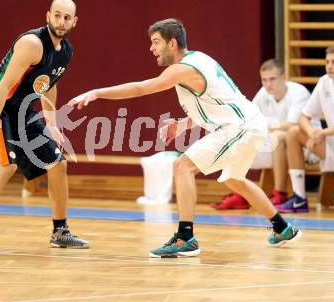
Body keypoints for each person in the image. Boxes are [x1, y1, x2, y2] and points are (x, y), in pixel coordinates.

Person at [68, 18, 301, 257]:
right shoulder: (198, 60)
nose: (151, 48)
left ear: (172, 44)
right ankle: (282, 227)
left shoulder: (182, 69)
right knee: (235, 180)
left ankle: (186, 237)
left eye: (156, 42)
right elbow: (214, 102)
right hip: (247, 124)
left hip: (240, 128)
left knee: (183, 167)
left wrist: (96, 93)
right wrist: (182, 124)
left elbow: (141, 88)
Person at [0, 0, 89, 254]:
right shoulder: (31, 44)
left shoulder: (66, 51)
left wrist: (52, 125)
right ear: (48, 16)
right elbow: (3, 87)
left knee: (58, 163)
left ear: (74, 22)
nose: (61, 21)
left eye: (66, 17)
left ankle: (60, 231)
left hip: (22, 108)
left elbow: (48, 86)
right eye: (57, 15)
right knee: (6, 166)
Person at [211, 59, 319, 210]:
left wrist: (267, 127)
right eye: (264, 80)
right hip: (276, 147)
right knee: (238, 139)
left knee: (280, 136)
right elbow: (249, 118)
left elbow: (293, 125)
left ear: (284, 77)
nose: (268, 84)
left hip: (307, 147)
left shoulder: (298, 92)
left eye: (272, 79)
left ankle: (280, 193)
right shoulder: (263, 93)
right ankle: (240, 194)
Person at [277, 46, 334, 213]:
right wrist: (311, 134)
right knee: (293, 133)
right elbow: (303, 117)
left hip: (327, 137)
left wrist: (321, 133)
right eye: (327, 62)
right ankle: (299, 198)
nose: (329, 66)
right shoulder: (324, 82)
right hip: (329, 144)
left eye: (333, 62)